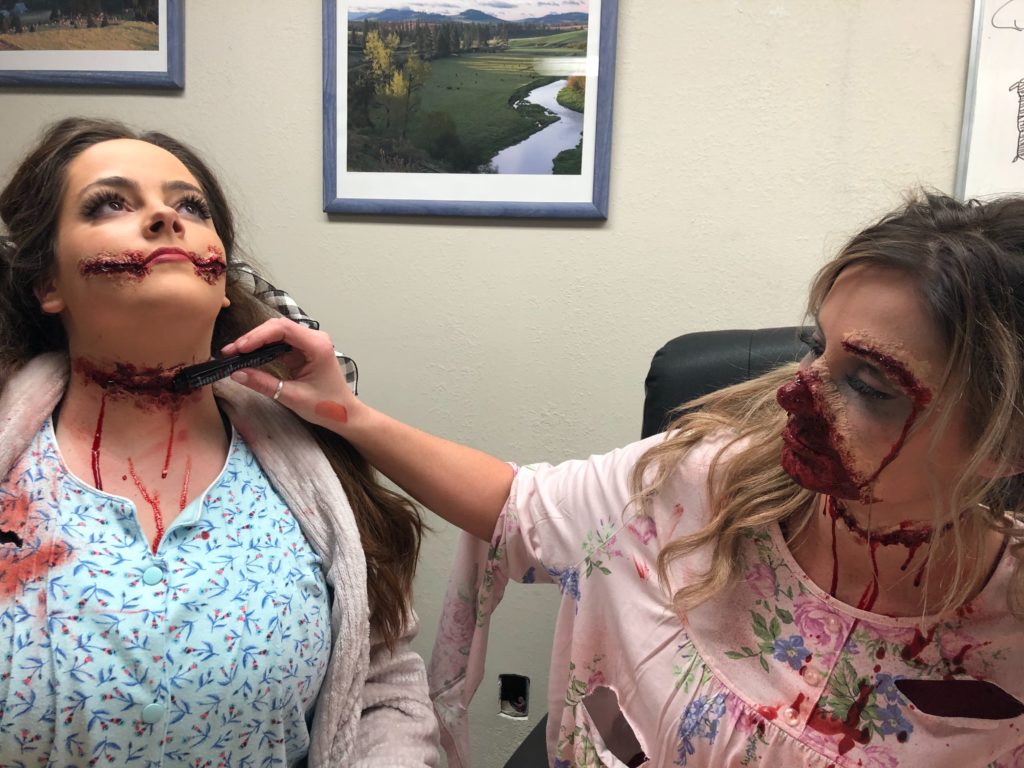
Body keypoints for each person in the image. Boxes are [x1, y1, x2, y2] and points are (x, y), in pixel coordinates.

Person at [227, 191, 1024, 767]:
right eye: (817, 349)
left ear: (1004, 444)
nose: (797, 394)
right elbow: (516, 505)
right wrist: (348, 417)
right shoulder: (699, 488)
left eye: (870, 387)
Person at [0, 117, 440, 767]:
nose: (163, 217)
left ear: (221, 276)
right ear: (48, 284)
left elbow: (382, 688)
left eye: (190, 206)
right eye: (111, 203)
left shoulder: (310, 469)